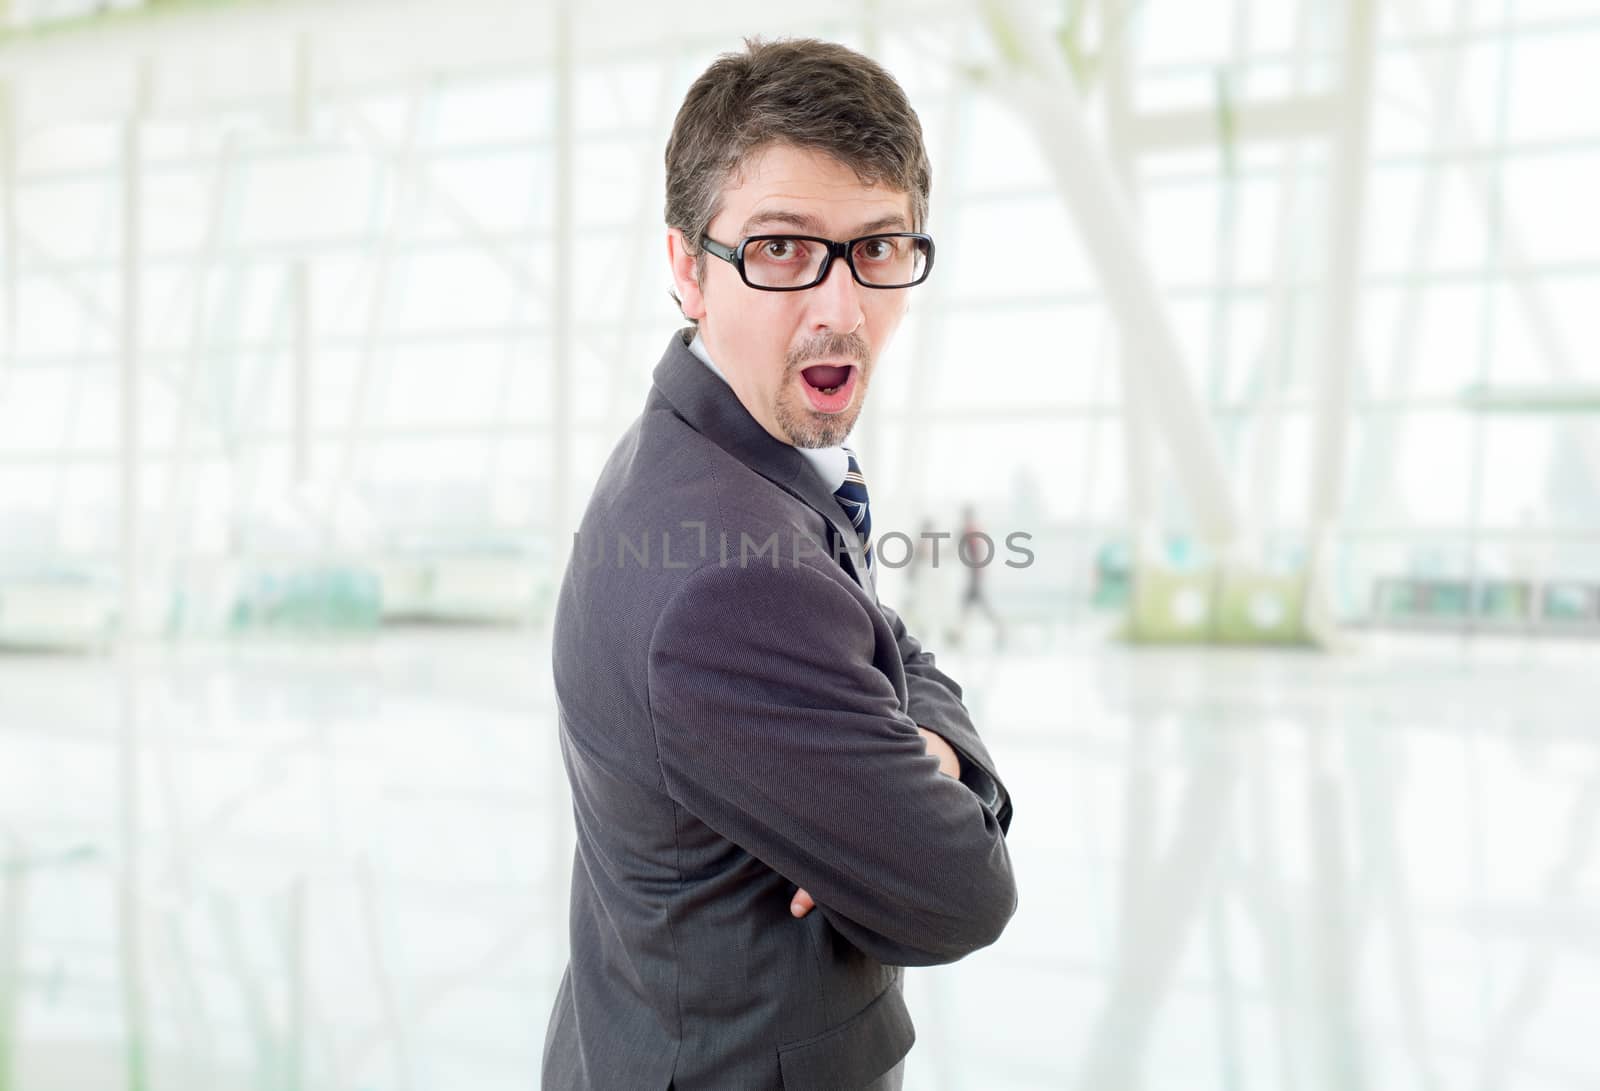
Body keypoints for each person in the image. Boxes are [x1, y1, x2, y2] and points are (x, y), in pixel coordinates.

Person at [542, 38, 1017, 1091]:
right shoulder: (732, 571)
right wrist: (927, 764)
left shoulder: (705, 450)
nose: (840, 307)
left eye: (878, 247)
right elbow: (959, 887)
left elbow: (882, 638)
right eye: (783, 250)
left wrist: (901, 737)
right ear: (686, 268)